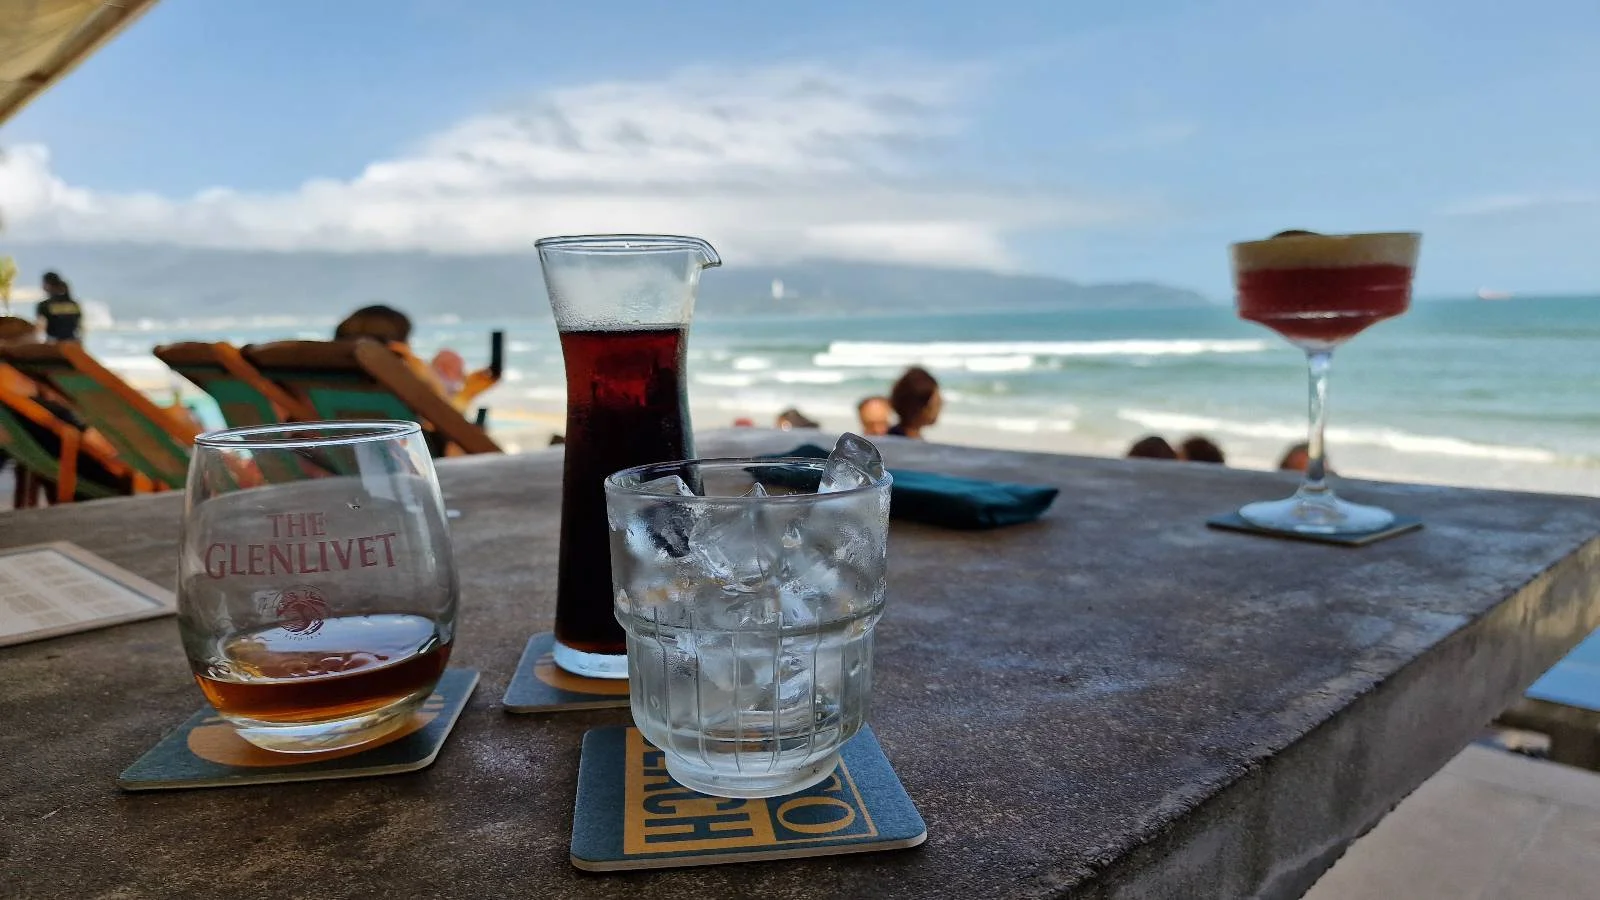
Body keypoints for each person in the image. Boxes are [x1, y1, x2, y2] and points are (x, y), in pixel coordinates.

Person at [334, 305, 495, 411]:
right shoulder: (394, 393)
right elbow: (452, 440)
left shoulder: (329, 384)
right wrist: (465, 395)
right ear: (398, 348)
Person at [888, 367, 941, 439]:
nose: (941, 406)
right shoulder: (905, 443)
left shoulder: (891, 436)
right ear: (922, 408)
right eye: (937, 403)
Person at [35, 272, 83, 342]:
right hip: (73, 343)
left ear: (47, 285)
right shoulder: (74, 304)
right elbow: (80, 327)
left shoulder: (44, 305)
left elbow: (39, 329)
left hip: (54, 345)